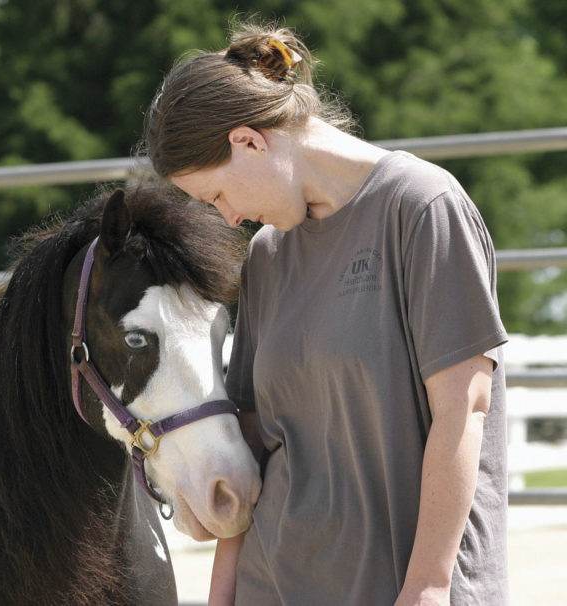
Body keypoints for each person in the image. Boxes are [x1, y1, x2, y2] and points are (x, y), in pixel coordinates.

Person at [142, 20, 509, 606]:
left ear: (249, 141)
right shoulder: (268, 254)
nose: (228, 217)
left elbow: (464, 414)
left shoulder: (422, 207)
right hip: (275, 584)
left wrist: (430, 587)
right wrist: (222, 598)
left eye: (217, 195)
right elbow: (255, 439)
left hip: (404, 587)